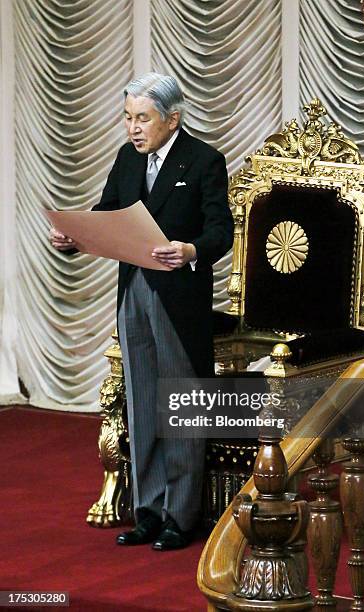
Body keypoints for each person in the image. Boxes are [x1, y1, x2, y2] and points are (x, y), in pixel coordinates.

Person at [50, 72, 234, 550]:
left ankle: (182, 515)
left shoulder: (204, 160)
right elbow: (108, 212)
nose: (133, 128)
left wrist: (191, 250)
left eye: (142, 118)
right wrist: (75, 237)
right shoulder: (126, 159)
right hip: (132, 291)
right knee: (144, 403)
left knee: (179, 406)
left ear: (172, 119)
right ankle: (149, 511)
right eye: (128, 118)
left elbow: (221, 231)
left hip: (178, 299)